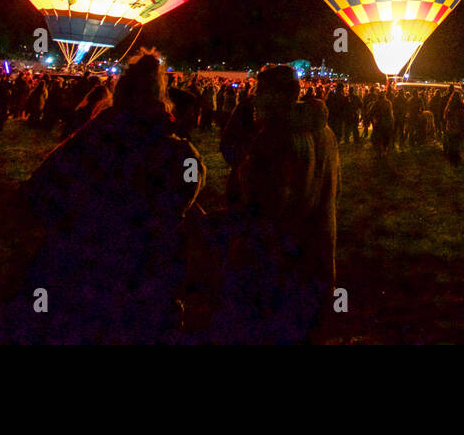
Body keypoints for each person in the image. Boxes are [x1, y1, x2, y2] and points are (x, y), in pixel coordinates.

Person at [19, 51, 204, 343]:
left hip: (79, 272)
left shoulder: (89, 140)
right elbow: (180, 205)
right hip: (144, 277)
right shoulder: (181, 154)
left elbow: (37, 190)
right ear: (162, 97)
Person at [213, 64, 339, 343]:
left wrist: (216, 223)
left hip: (276, 265)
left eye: (260, 91)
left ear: (274, 95)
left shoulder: (274, 139)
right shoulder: (326, 133)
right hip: (315, 255)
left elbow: (264, 209)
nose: (254, 98)